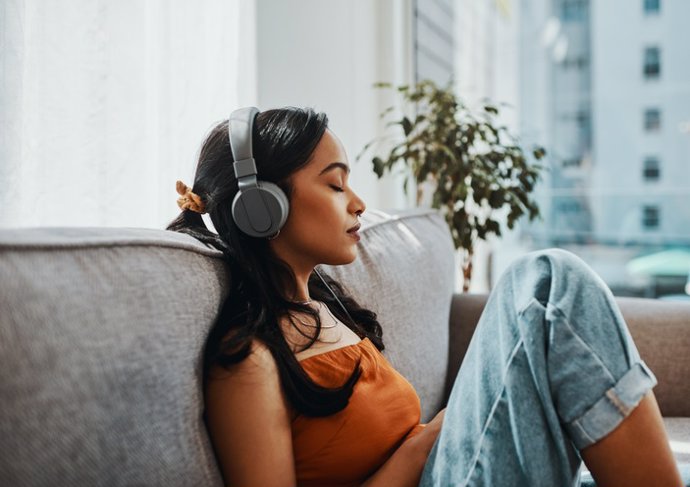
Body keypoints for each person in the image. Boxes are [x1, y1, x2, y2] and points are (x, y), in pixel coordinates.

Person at [167, 106, 683, 487]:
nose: (359, 203)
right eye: (335, 185)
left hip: (447, 467)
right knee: (545, 284)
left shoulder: (327, 311)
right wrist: (415, 451)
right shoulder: (248, 363)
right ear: (264, 208)